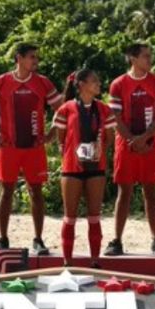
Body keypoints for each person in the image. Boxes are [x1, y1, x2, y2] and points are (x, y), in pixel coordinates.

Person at [0, 43, 62, 255]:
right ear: (19, 58)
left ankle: (38, 239)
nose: (36, 61)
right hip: (9, 148)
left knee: (36, 192)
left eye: (37, 57)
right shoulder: (2, 81)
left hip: (34, 148)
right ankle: (3, 238)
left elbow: (62, 110)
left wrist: (51, 134)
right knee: (6, 192)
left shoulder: (42, 82)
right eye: (32, 57)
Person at [105, 43, 155, 257]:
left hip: (150, 144)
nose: (149, 60)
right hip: (126, 146)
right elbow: (115, 117)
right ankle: (116, 241)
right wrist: (132, 140)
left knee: (150, 192)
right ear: (132, 58)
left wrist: (145, 137)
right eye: (145, 56)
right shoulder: (118, 84)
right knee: (124, 192)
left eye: (150, 56)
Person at [51, 69, 118, 267]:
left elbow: (109, 138)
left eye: (98, 80)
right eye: (94, 81)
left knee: (94, 216)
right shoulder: (66, 109)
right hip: (71, 169)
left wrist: (98, 150)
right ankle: (67, 261)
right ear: (81, 85)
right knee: (69, 217)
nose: (99, 84)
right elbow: (61, 139)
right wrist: (72, 154)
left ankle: (95, 260)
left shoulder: (104, 109)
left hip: (96, 168)